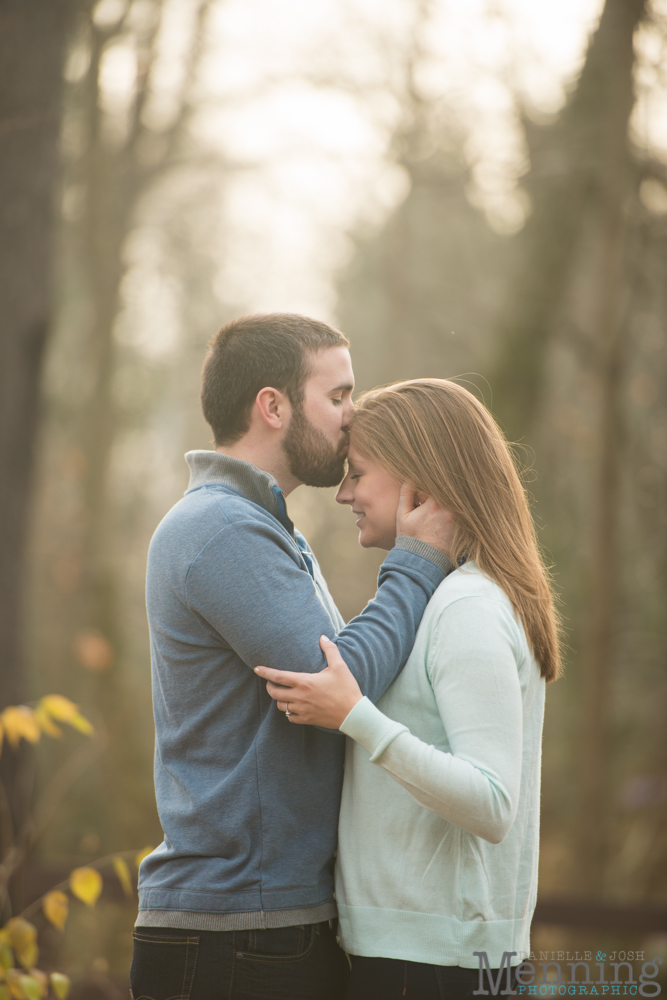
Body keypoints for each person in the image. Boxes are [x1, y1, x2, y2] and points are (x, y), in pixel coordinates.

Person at [130, 317, 456, 1000]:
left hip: (260, 926)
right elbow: (343, 681)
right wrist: (418, 561)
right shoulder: (220, 529)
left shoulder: (258, 527)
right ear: (272, 406)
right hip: (237, 934)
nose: (351, 417)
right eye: (338, 396)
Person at [256, 378, 562, 1000]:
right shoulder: (449, 600)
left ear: (419, 484)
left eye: (358, 473)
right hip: (420, 956)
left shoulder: (466, 608)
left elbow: (492, 802)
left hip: (433, 965)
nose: (343, 493)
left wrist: (357, 717)